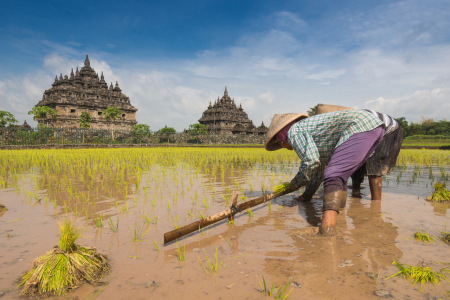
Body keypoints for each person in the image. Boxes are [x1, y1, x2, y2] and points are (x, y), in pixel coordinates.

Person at [264, 110, 386, 235]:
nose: (287, 149)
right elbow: (318, 169)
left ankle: (326, 230)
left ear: (280, 139)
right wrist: (307, 195)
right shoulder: (308, 131)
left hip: (360, 126)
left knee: (333, 174)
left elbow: (311, 161)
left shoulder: (293, 132)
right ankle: (340, 215)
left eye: (281, 145)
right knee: (340, 175)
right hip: (376, 127)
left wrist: (295, 183)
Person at [299, 106, 404, 201]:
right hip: (367, 129)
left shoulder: (342, 124)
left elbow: (324, 166)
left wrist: (307, 194)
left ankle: (376, 204)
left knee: (373, 165)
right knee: (354, 162)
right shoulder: (332, 128)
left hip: (388, 129)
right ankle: (356, 192)